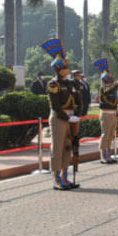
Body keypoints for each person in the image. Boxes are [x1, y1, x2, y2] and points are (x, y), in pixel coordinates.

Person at [41, 38, 81, 190]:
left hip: (70, 117)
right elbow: (55, 104)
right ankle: (56, 178)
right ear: (58, 69)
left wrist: (76, 113)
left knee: (68, 147)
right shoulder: (53, 84)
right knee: (57, 148)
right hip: (59, 118)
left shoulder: (69, 83)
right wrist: (67, 117)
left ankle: (65, 175)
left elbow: (77, 101)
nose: (68, 69)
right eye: (65, 67)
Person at [94, 58, 118, 164]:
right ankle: (103, 156)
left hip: (112, 113)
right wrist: (117, 85)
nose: (111, 81)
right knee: (105, 135)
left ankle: (108, 154)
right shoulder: (103, 89)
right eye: (109, 79)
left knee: (111, 135)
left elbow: (115, 101)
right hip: (106, 114)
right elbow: (109, 91)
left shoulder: (113, 89)